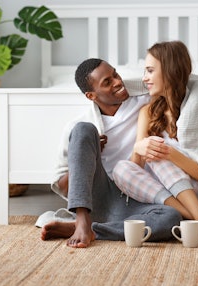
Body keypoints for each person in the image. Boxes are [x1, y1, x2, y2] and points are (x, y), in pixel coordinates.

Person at [40, 58, 182, 248]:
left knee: (172, 217)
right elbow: (64, 187)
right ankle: (82, 220)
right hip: (103, 195)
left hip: (140, 198)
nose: (117, 82)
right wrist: (91, 156)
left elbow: (178, 78)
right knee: (83, 129)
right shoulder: (79, 126)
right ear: (91, 96)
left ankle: (94, 229)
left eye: (115, 74)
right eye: (107, 82)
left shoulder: (144, 100)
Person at [112, 41, 198, 246]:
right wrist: (137, 148)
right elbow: (135, 172)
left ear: (170, 71)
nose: (144, 78)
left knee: (156, 148)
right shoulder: (147, 113)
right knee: (121, 168)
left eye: (150, 71)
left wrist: (168, 153)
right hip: (169, 196)